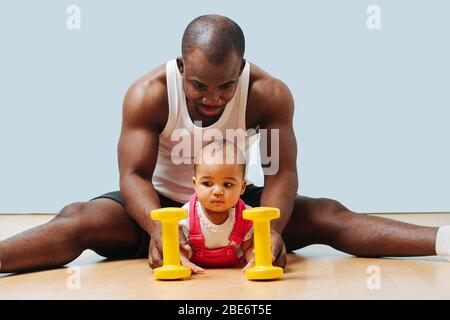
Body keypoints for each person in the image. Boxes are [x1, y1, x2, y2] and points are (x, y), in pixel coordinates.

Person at [1, 14, 449, 275]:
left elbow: (280, 172)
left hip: (232, 198)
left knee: (328, 214)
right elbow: (133, 175)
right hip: (159, 205)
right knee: (78, 217)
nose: (213, 99)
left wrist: (269, 229)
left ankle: (443, 241)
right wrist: (160, 229)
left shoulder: (269, 93)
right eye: (199, 86)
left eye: (226, 87)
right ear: (181, 68)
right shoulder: (149, 93)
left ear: (242, 70)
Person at [178, 139, 255, 274]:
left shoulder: (245, 215)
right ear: (195, 184)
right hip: (198, 278)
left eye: (228, 184)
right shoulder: (186, 215)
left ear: (243, 187)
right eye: (207, 184)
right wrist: (183, 261)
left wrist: (253, 261)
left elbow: (248, 246)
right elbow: (178, 246)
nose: (218, 191)